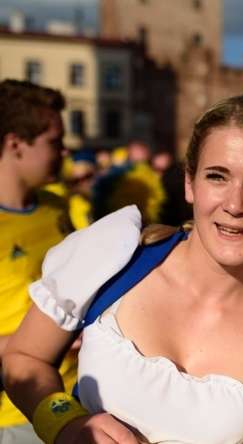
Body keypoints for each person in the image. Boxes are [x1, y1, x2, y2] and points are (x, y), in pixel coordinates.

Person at [3, 94, 243, 444]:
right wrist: (66, 424)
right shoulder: (117, 255)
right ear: (189, 183)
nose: (234, 204)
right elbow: (24, 357)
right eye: (217, 177)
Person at [0, 79, 77, 443]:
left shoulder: (56, 207)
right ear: (15, 143)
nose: (64, 151)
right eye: (54, 142)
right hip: (16, 416)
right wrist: (47, 339)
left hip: (75, 399)